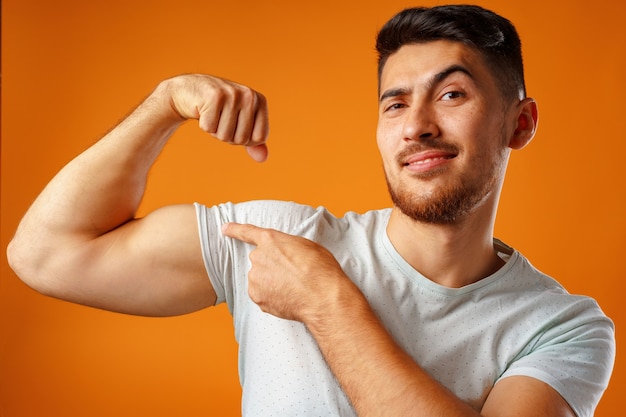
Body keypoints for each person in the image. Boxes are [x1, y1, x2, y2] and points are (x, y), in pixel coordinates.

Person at [7, 4, 614, 417]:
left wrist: (328, 303)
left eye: (452, 94)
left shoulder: (561, 329)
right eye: (395, 104)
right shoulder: (281, 238)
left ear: (520, 122)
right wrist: (165, 103)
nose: (417, 127)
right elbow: (45, 255)